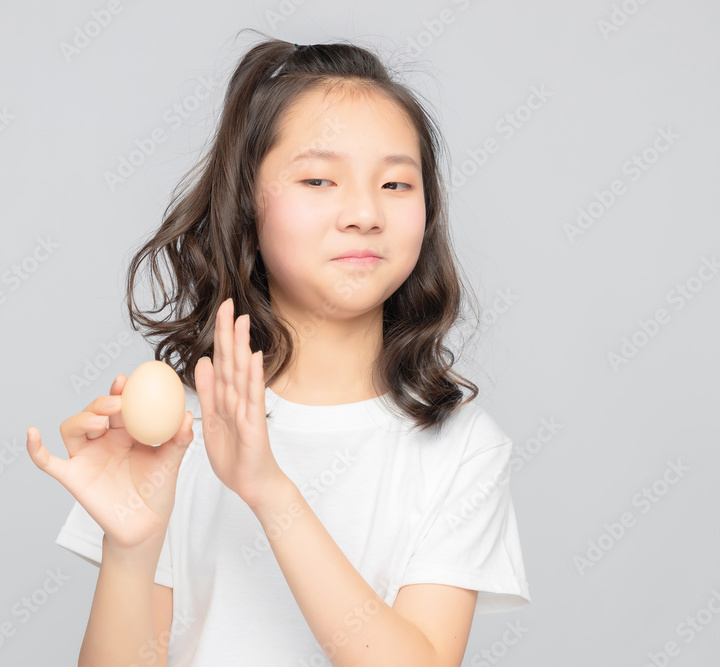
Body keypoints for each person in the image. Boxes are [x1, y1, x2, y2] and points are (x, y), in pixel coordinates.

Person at [27, 31, 530, 666]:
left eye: (397, 185)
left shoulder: (462, 448)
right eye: (319, 179)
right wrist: (131, 547)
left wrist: (268, 489)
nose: (364, 213)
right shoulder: (177, 430)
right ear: (246, 208)